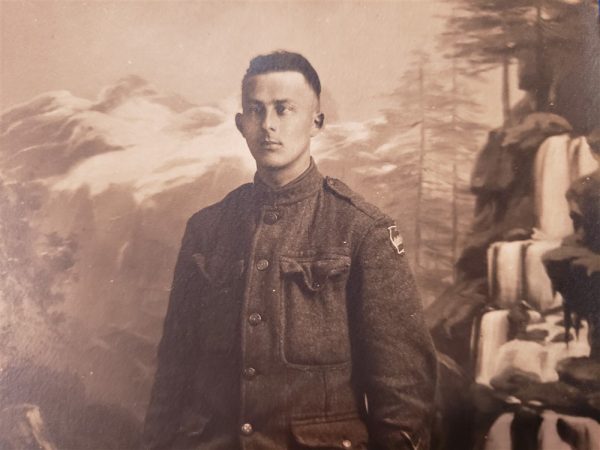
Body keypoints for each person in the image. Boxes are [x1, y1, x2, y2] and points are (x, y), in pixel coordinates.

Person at [142, 50, 437, 450]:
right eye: (256, 110)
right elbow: (173, 373)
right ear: (240, 123)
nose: (268, 126)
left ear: (316, 122)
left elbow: (402, 394)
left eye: (284, 110)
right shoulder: (206, 229)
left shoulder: (362, 230)